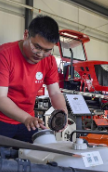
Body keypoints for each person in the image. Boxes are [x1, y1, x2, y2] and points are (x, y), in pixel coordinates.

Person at [0, 15, 68, 143]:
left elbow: (55, 93)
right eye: (37, 47)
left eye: (47, 50)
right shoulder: (4, 54)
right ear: (26, 35)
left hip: (28, 122)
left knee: (34, 158)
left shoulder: (50, 61)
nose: (41, 54)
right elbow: (1, 98)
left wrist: (62, 112)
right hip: (3, 120)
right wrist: (26, 118)